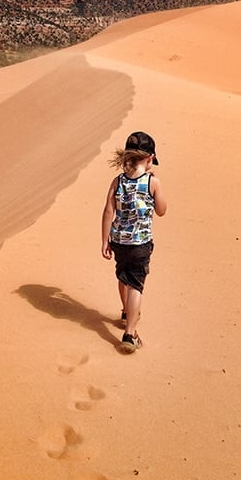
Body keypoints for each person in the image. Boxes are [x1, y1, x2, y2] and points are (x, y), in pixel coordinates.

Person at [101, 131, 167, 353]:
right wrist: (155, 187)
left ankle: (124, 310)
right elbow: (162, 211)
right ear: (150, 158)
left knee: (123, 275)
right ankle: (130, 333)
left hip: (119, 240)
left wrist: (104, 240)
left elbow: (108, 210)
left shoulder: (117, 181)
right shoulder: (152, 181)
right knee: (136, 285)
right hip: (140, 243)